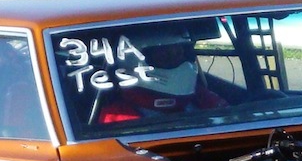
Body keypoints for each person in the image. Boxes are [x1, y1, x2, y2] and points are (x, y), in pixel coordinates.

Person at [95, 34, 227, 124]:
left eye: (181, 53)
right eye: (166, 56)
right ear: (134, 60)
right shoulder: (117, 118)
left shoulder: (200, 96)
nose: (180, 62)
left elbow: (227, 117)